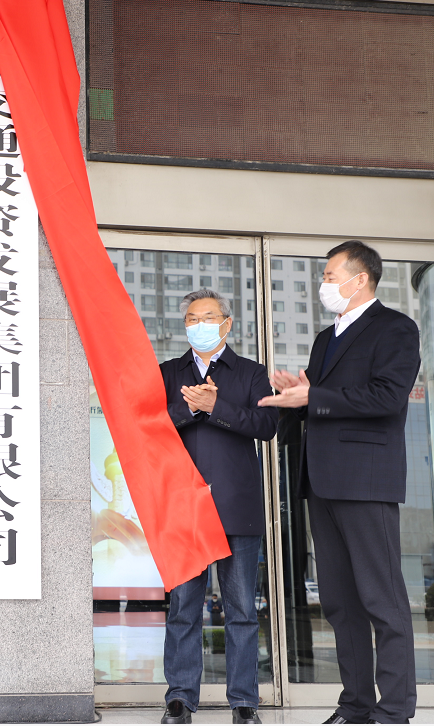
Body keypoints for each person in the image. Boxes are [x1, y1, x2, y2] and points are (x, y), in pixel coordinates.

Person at [258, 240, 420, 725]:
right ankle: (356, 705)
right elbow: (326, 400)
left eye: (330, 275)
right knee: (340, 604)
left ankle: (394, 710)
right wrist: (299, 398)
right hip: (323, 482)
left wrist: (316, 396)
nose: (324, 284)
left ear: (360, 278)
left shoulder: (395, 328)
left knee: (381, 599)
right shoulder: (326, 339)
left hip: (366, 483)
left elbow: (387, 398)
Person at [158, 289, 278, 726]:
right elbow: (151, 424)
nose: (199, 324)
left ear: (227, 323)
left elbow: (267, 425)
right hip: (184, 507)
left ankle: (244, 701)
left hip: (237, 506)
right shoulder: (170, 372)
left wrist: (217, 407)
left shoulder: (249, 373)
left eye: (207, 317)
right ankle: (179, 699)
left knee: (242, 610)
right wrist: (191, 410)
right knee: (183, 609)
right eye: (191, 317)